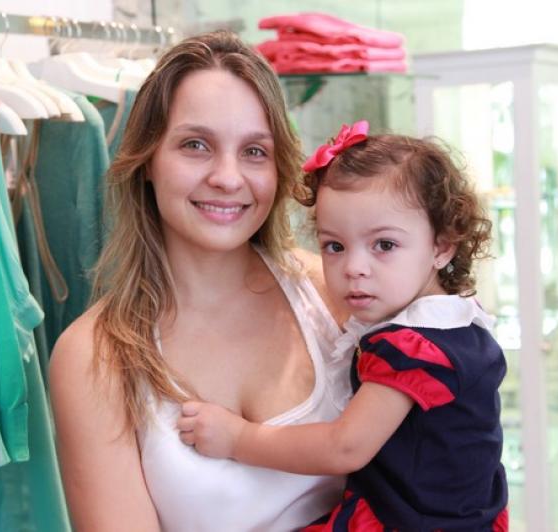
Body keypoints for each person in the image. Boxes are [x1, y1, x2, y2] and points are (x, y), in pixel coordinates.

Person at [49, 31, 354, 531]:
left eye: (254, 151)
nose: (228, 178)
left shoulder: (335, 294)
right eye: (196, 145)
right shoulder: (94, 356)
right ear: (147, 160)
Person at [178, 121, 510, 531]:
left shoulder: (413, 348)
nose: (354, 267)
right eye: (334, 246)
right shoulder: (459, 322)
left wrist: (237, 438)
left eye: (384, 245)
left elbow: (344, 447)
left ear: (441, 247)